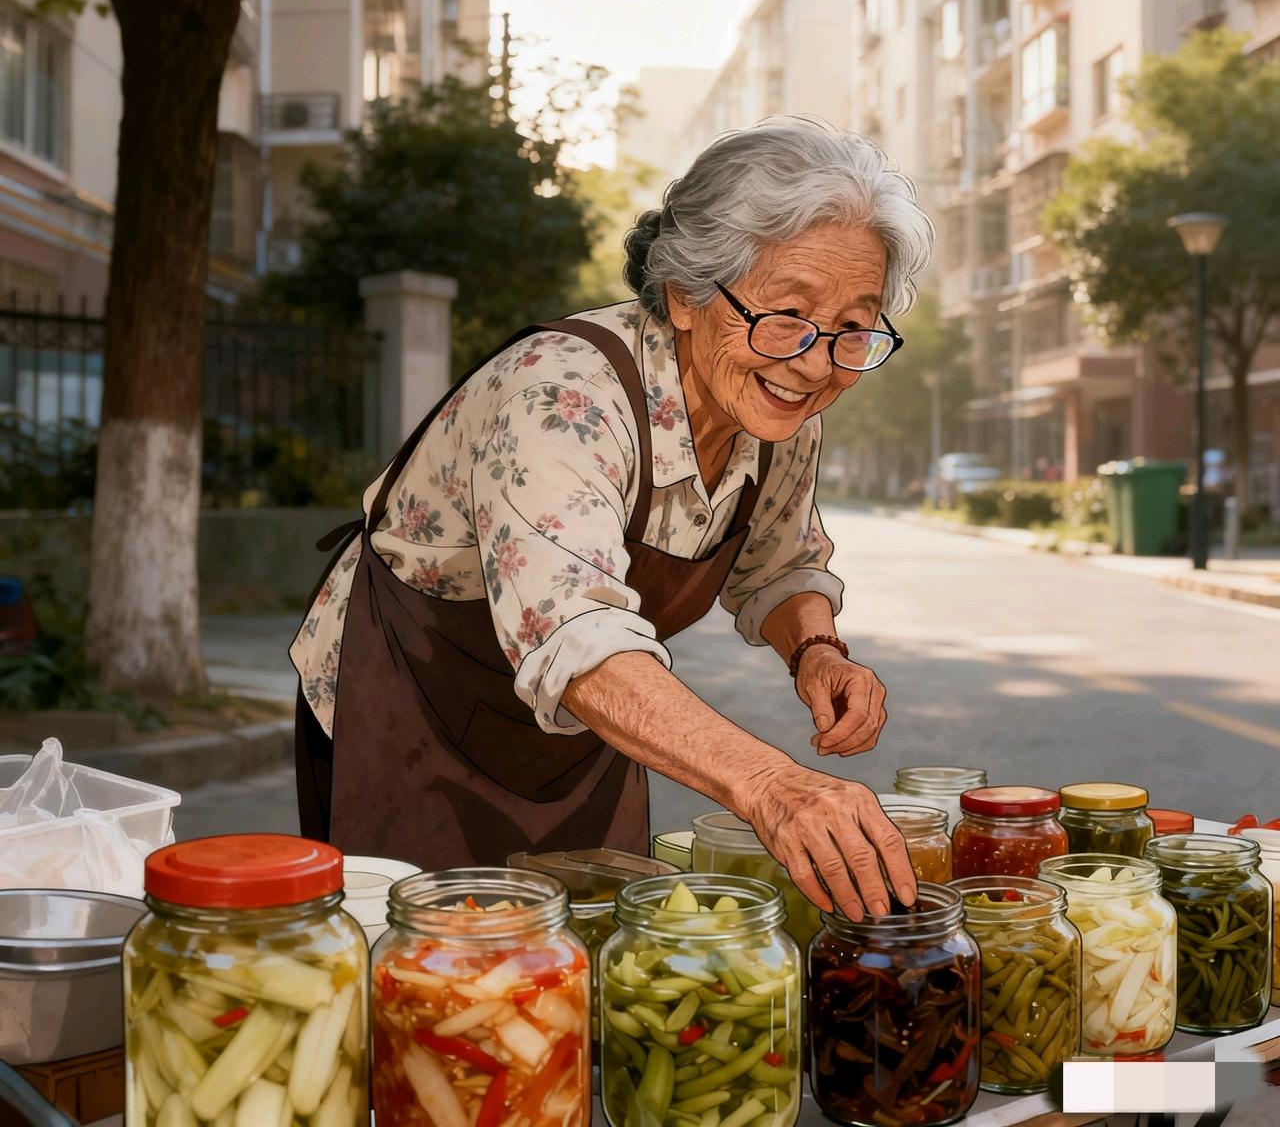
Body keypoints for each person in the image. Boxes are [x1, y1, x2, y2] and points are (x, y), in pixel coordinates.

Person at [292, 116, 932, 920]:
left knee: (593, 966)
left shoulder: (782, 408)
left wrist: (815, 649)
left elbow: (777, 562)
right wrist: (771, 784)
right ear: (685, 297)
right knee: (431, 982)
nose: (814, 361)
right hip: (410, 712)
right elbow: (577, 637)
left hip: (587, 726)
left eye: (852, 327)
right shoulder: (561, 397)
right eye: (787, 315)